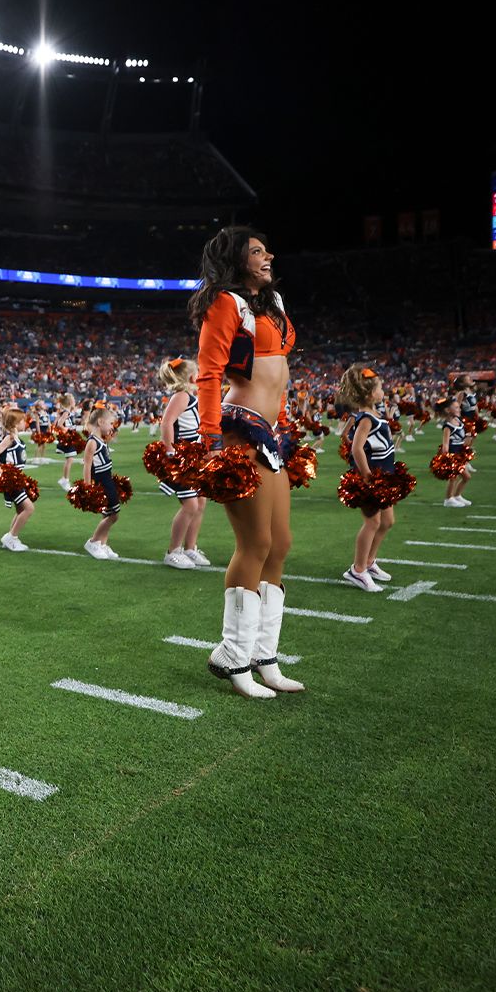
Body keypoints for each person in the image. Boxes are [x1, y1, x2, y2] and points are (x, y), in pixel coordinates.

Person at [192, 226, 304, 699]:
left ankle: (265, 658)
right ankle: (234, 658)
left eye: (266, 248)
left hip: (272, 431)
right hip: (241, 428)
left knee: (279, 544)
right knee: (254, 541)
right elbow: (209, 373)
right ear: (236, 260)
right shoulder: (225, 304)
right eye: (257, 251)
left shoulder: (271, 304)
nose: (268, 255)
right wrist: (211, 440)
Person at [338, 366, 398, 592]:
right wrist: (367, 477)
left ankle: (370, 561)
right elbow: (356, 449)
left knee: (387, 521)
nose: (383, 390)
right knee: (372, 522)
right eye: (380, 387)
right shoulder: (364, 418)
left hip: (385, 474)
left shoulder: (376, 415)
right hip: (371, 476)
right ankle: (358, 570)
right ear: (371, 393)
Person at [155, 357, 211, 569]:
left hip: (192, 458)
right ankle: (173, 551)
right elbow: (167, 423)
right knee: (190, 505)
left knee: (200, 502)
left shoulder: (190, 396)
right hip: (181, 458)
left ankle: (190, 547)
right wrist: (170, 453)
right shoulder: (181, 396)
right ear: (191, 376)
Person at [0, 407, 35, 552]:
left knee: (21, 509)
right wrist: (2, 474)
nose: (25, 423)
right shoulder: (10, 438)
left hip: (18, 477)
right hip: (12, 480)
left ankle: (11, 537)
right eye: (22, 421)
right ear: (15, 423)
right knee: (29, 508)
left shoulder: (16, 437)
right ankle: (11, 537)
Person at [79, 406, 124, 560]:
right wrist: (88, 487)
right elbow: (87, 465)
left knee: (108, 514)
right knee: (113, 515)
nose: (112, 427)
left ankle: (102, 544)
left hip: (107, 478)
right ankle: (93, 541)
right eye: (111, 423)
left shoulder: (101, 439)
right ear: (100, 422)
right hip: (101, 481)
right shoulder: (92, 442)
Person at [438, 398, 473, 508]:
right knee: (453, 478)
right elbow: (445, 444)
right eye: (456, 407)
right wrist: (446, 457)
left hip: (460, 454)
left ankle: (457, 496)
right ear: (448, 410)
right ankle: (448, 499)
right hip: (452, 454)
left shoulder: (458, 420)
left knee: (466, 477)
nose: (459, 409)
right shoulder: (448, 426)